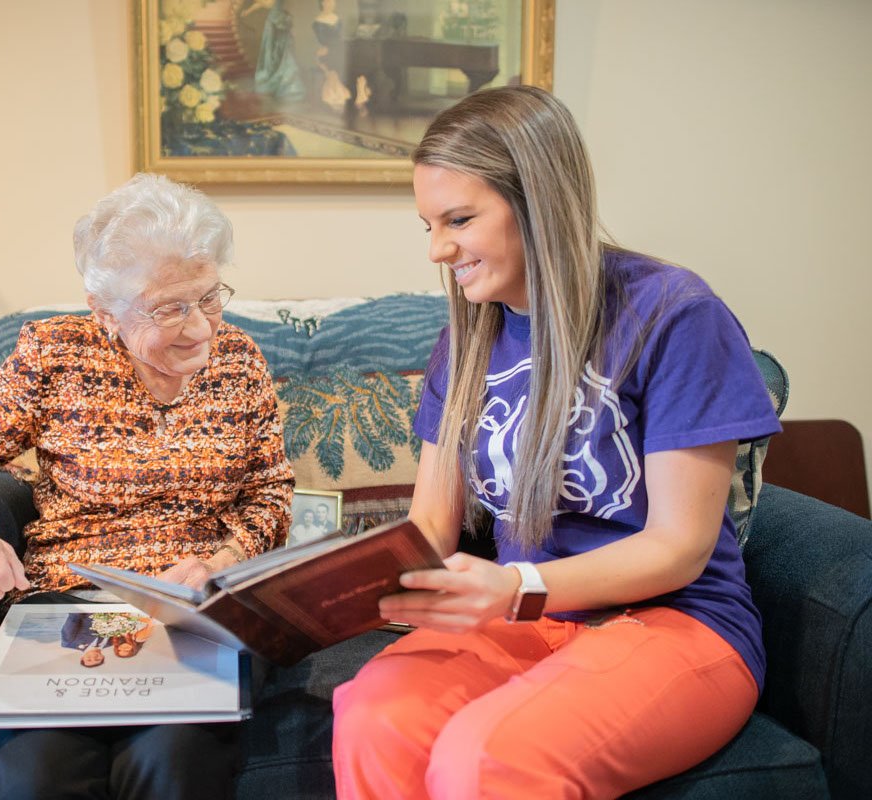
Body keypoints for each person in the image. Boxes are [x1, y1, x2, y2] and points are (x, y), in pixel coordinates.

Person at [331, 85, 781, 799]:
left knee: (487, 759)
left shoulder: (673, 313)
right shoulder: (467, 340)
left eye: (459, 219)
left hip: (679, 625)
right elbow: (428, 528)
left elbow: (679, 546)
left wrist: (516, 588)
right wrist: (309, 595)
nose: (438, 249)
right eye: (427, 225)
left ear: (537, 200)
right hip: (528, 622)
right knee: (371, 714)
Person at [0, 172, 294, 800]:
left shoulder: (240, 361)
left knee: (174, 766)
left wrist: (222, 562)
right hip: (68, 607)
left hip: (192, 613)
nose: (200, 327)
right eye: (168, 308)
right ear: (103, 308)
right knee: (35, 778)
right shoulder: (53, 355)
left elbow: (270, 494)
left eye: (209, 296)